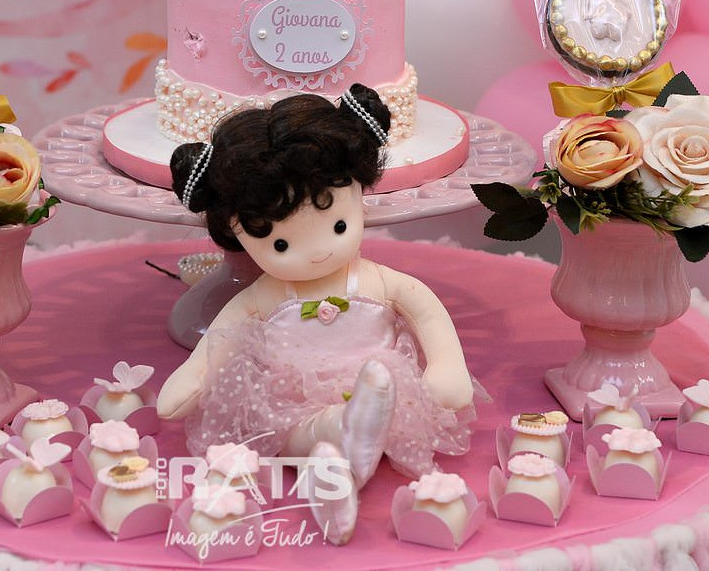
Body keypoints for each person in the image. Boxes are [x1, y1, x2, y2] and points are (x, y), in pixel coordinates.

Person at [157, 86, 483, 544]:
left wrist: (447, 367)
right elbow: (219, 340)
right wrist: (191, 381)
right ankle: (343, 450)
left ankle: (333, 471)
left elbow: (426, 311)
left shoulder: (378, 280)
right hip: (288, 401)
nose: (316, 253)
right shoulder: (261, 296)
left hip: (380, 384)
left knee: (375, 413)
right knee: (292, 433)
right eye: (281, 244)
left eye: (338, 226)